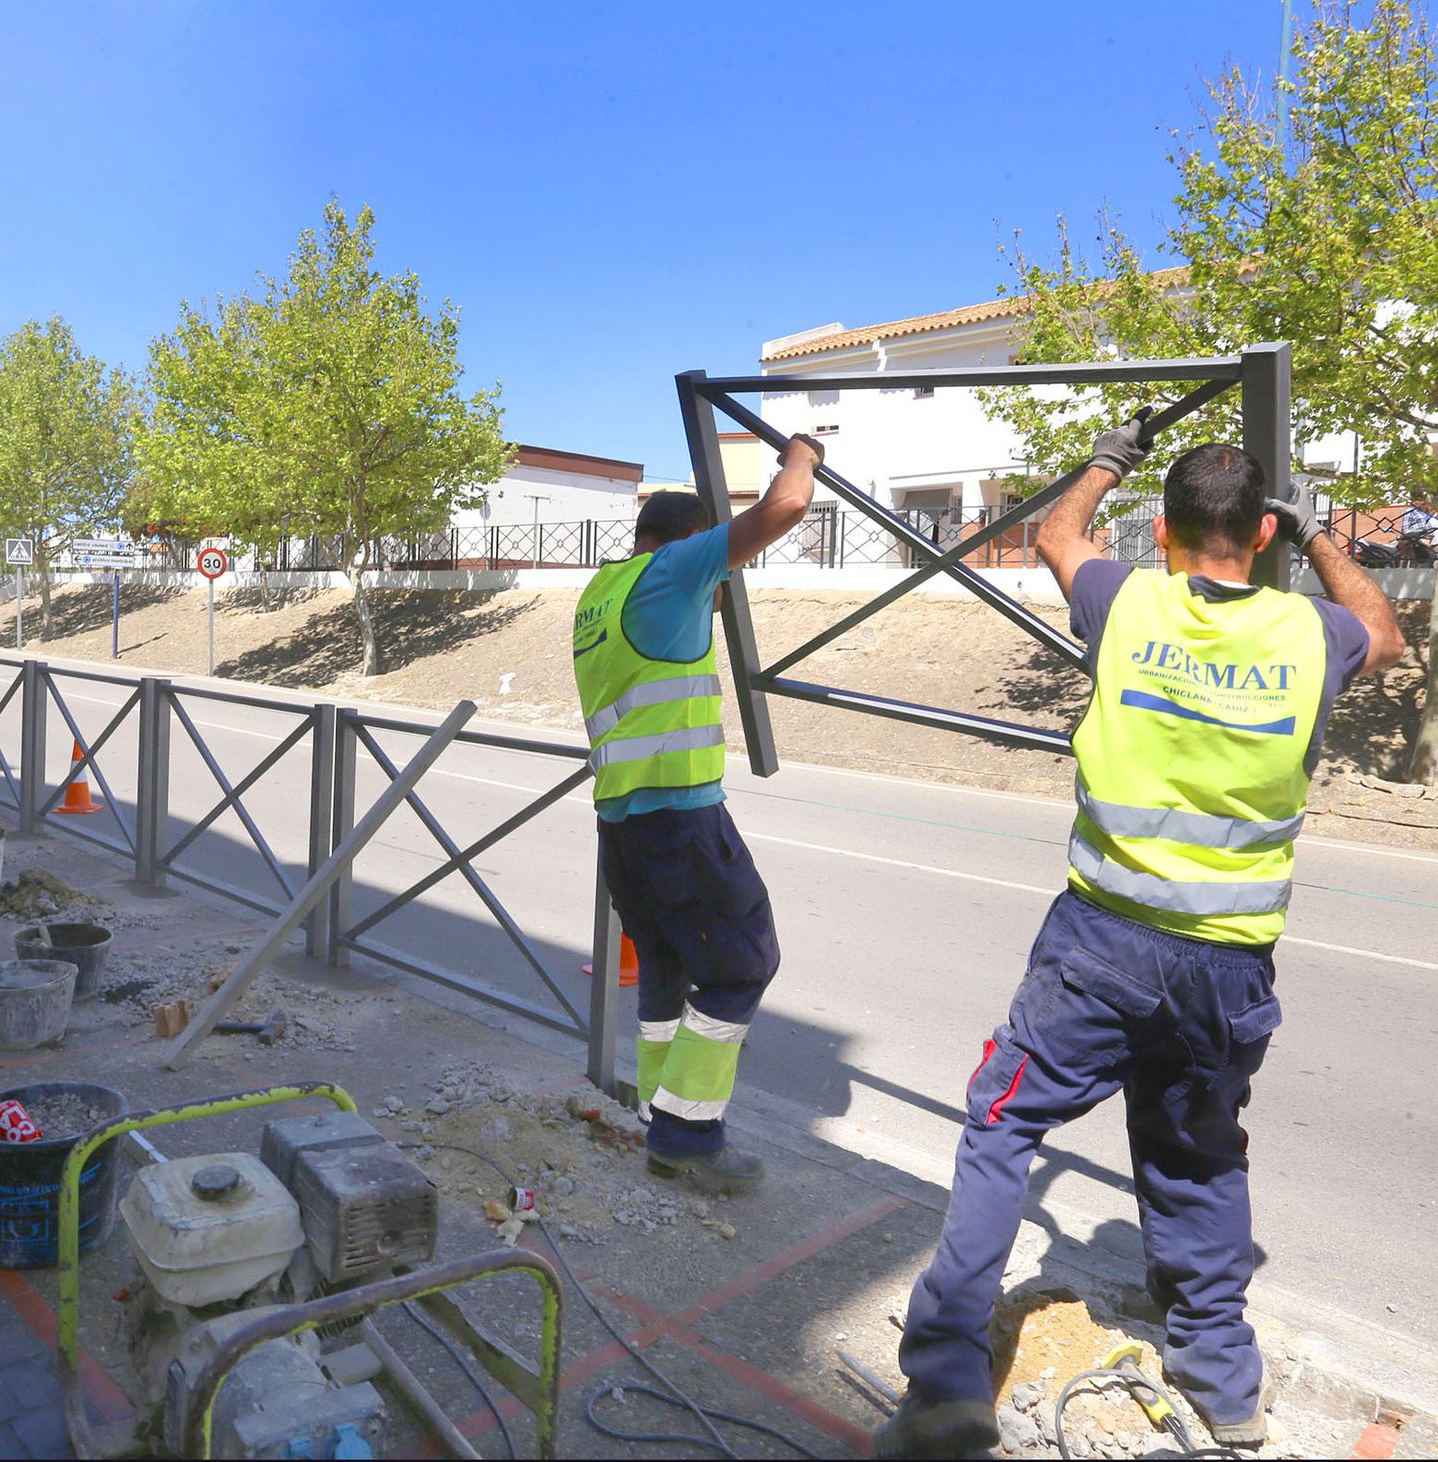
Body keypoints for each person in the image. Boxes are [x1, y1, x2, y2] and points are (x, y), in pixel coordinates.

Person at [874, 419, 1404, 1459]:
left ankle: (943, 1383)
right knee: (1198, 1162)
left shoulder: (1126, 601)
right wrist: (1323, 536)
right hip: (1228, 965)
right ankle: (1225, 1388)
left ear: (1160, 530)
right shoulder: (1309, 635)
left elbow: (1056, 534)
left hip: (1100, 942)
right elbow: (1382, 629)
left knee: (1001, 1122)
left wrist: (1108, 455)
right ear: (1259, 534)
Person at [571, 435, 823, 1192]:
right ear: (687, 543)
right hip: (679, 821)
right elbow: (788, 504)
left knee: (668, 968)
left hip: (621, 822)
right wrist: (803, 453)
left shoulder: (600, 593)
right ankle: (689, 1135)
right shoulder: (676, 567)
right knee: (743, 965)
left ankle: (658, 1113)